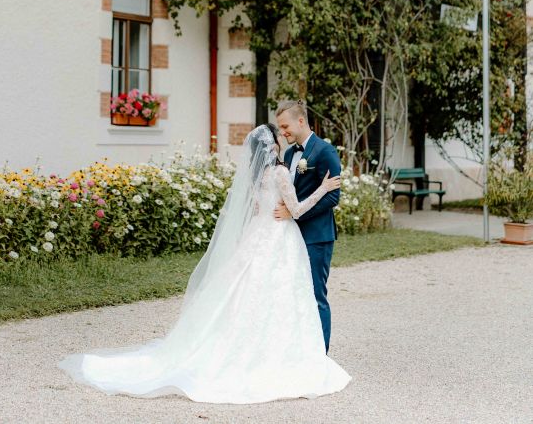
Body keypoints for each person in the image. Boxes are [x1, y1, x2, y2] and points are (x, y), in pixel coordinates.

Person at [57, 123, 352, 403]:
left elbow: (262, 208)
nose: (283, 138)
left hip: (259, 236)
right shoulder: (278, 172)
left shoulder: (256, 175)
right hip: (279, 238)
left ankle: (247, 348)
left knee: (250, 293)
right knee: (284, 295)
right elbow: (297, 209)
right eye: (279, 135)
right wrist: (324, 188)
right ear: (273, 145)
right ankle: (287, 354)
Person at [274, 99, 341, 352]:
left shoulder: (325, 151)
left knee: (315, 295)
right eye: (280, 128)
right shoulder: (290, 154)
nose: (283, 132)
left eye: (285, 126)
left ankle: (320, 355)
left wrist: (294, 213)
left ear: (301, 121)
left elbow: (333, 196)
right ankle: (300, 351)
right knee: (294, 294)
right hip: (291, 236)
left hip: (317, 236)